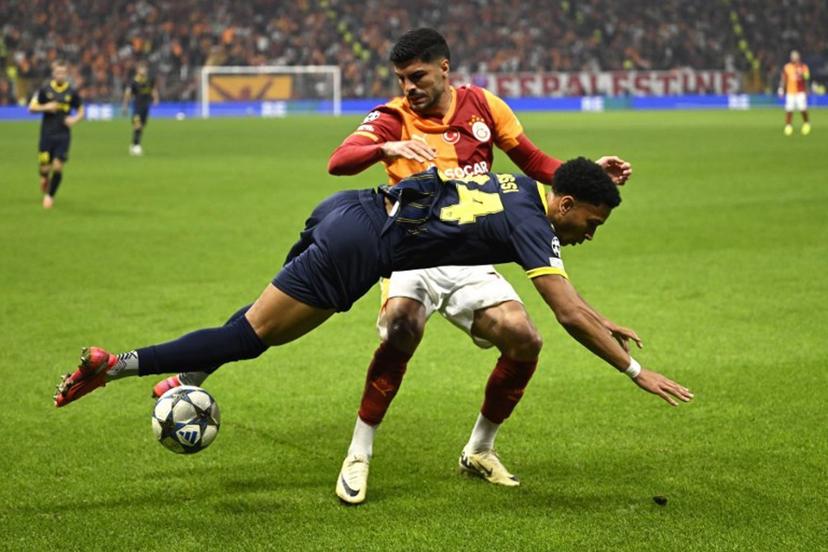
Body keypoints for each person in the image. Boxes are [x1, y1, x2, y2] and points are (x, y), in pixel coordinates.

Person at [152, 28, 633, 504]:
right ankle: (358, 452)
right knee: (401, 326)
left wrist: (587, 178)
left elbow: (532, 160)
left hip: (469, 249)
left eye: (416, 76)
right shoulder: (393, 116)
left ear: (444, 68)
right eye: (401, 78)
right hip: (410, 247)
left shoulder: (485, 106)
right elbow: (340, 160)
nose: (408, 87)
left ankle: (479, 450)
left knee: (524, 337)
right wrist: (386, 148)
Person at [53, 160, 694, 494]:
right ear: (567, 204)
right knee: (250, 338)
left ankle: (183, 374)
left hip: (346, 210)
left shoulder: (521, 186)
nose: (589, 234)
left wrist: (599, 315)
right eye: (591, 223)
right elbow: (565, 312)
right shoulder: (536, 224)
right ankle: (117, 366)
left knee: (253, 321)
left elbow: (574, 301)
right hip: (361, 248)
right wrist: (634, 371)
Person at [28, 60, 84, 209]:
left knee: (58, 167)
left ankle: (50, 196)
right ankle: (44, 177)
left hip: (63, 136)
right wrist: (46, 107)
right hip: (46, 135)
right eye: (58, 72)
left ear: (66, 74)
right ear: (53, 73)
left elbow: (81, 111)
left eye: (63, 72)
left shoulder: (71, 92)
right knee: (44, 168)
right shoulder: (44, 90)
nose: (60, 75)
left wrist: (74, 119)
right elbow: (31, 108)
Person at [122, 62, 159, 155]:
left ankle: (133, 144)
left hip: (145, 107)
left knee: (141, 127)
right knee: (137, 125)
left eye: (145, 68)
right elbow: (127, 94)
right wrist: (125, 106)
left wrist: (155, 99)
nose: (144, 70)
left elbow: (153, 89)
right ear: (137, 70)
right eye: (141, 68)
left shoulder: (149, 80)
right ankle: (136, 145)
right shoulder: (133, 82)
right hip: (137, 108)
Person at [778, 50, 811, 136]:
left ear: (798, 58)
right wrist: (781, 89)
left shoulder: (803, 67)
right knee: (789, 109)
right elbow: (783, 79)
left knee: (802, 108)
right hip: (790, 92)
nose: (794, 59)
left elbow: (807, 78)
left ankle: (806, 123)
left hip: (800, 91)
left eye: (796, 57)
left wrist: (807, 89)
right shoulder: (787, 67)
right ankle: (788, 126)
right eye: (793, 57)